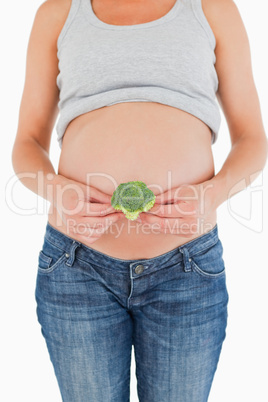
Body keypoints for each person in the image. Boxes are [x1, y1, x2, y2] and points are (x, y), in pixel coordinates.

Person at [12, 0, 267, 401]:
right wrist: (56, 190)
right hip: (77, 269)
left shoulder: (213, 9)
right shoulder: (57, 13)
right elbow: (25, 144)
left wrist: (212, 195)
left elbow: (253, 140)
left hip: (187, 268)